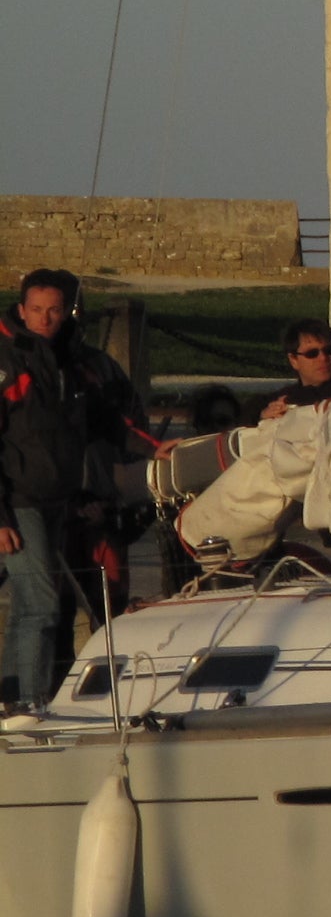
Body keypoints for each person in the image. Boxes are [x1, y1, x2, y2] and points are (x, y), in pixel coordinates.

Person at [1, 269, 155, 712]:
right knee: (41, 605)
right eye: (36, 310)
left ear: (68, 309)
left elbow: (108, 419)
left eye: (54, 310)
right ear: (21, 307)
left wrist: (155, 450)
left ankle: (12, 701)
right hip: (17, 501)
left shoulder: (74, 360)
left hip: (60, 499)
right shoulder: (8, 360)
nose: (44, 319)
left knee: (38, 608)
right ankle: (28, 704)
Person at [261, 321, 331, 422]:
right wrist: (263, 413)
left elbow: (330, 391)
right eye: (312, 353)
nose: (323, 358)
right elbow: (250, 408)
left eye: (329, 351)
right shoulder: (288, 395)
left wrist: (290, 402)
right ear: (293, 360)